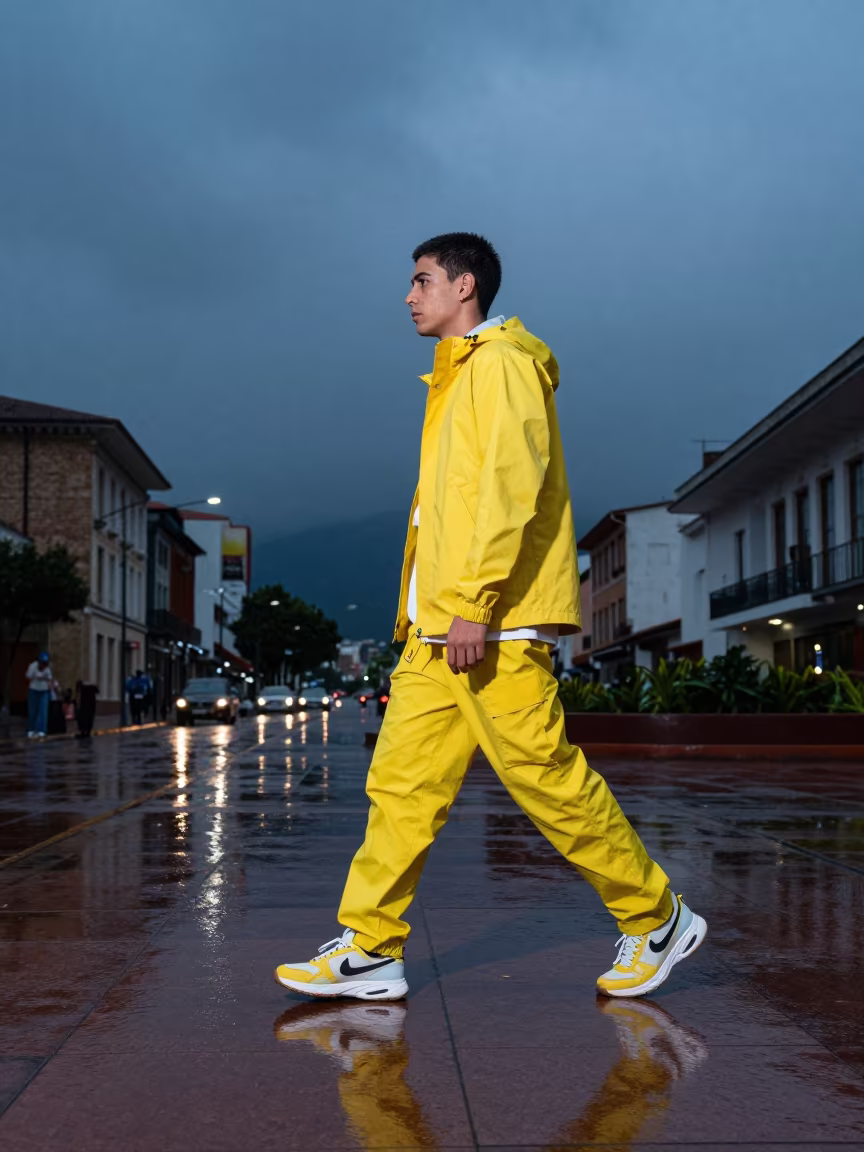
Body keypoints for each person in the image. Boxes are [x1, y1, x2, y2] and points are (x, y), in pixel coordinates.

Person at [275, 232, 707, 1002]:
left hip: (488, 626)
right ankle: (372, 947)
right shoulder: (453, 377)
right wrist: (429, 617)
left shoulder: (501, 365)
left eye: (422, 280)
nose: (408, 296)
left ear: (465, 285)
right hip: (435, 631)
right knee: (401, 790)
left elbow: (509, 490)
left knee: (545, 779)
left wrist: (473, 605)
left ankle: (657, 917)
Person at [25, 651, 53, 738]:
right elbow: (27, 676)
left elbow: (50, 678)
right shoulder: (33, 666)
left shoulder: (47, 668)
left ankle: (42, 730)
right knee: (32, 710)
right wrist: (34, 675)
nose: (43, 666)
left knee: (43, 711)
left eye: (45, 663)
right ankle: (31, 729)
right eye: (42, 663)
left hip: (44, 691)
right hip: (33, 690)